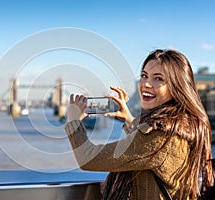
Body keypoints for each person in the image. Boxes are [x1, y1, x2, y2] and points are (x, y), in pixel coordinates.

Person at [65, 49, 214, 200]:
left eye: (158, 78)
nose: (146, 84)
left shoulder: (159, 136)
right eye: (144, 76)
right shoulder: (181, 124)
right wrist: (129, 119)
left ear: (177, 86)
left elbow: (88, 158)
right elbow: (143, 151)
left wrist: (73, 121)